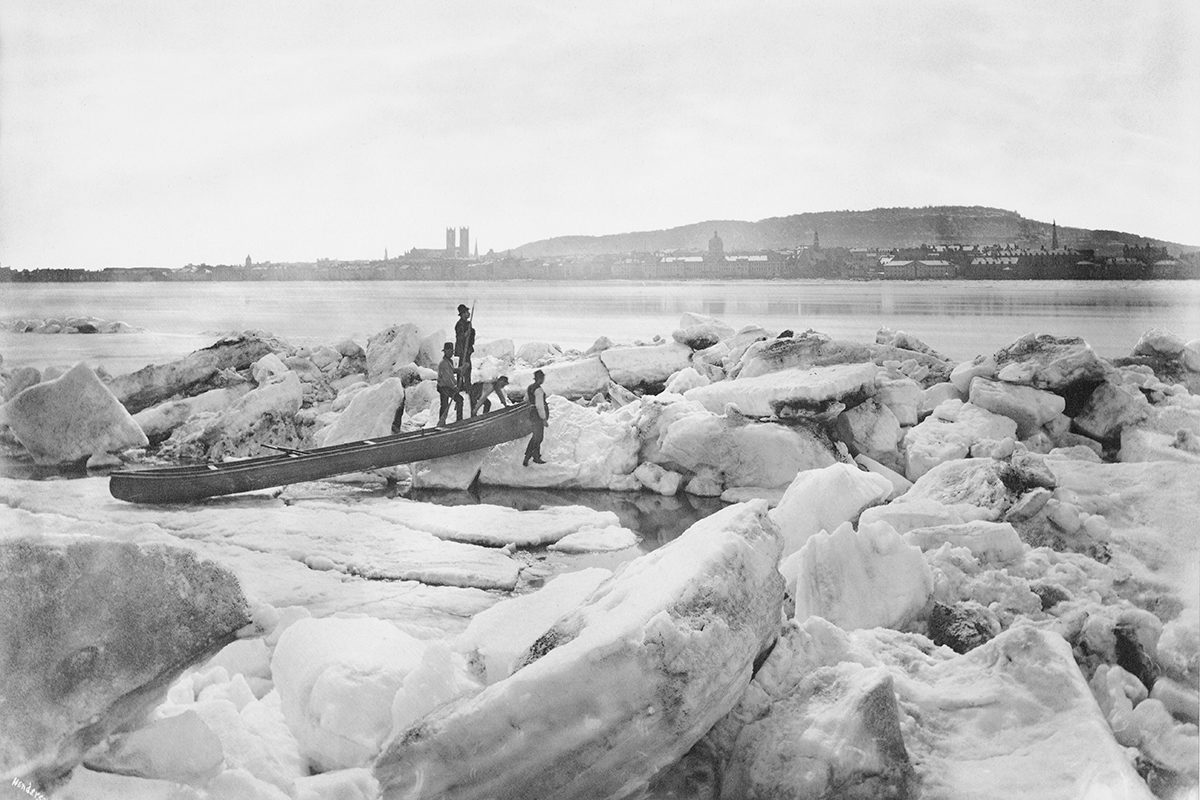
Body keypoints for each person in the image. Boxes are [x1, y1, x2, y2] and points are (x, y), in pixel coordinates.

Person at [523, 369, 548, 466]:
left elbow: (526, 399)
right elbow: (540, 406)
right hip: (537, 416)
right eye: (543, 378)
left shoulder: (530, 388)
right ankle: (528, 457)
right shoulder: (539, 390)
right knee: (539, 437)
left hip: (531, 415)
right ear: (540, 378)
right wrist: (544, 418)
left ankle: (535, 455)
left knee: (535, 436)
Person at [436, 342, 463, 426]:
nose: (451, 353)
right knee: (459, 400)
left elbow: (451, 371)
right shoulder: (444, 363)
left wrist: (458, 370)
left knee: (444, 405)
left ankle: (442, 422)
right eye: (449, 351)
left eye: (452, 351)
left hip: (444, 386)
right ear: (445, 351)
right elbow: (448, 378)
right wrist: (454, 387)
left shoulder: (448, 361)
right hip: (444, 387)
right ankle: (459, 421)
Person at [453, 303, 475, 406]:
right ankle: (461, 385)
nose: (468, 314)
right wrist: (466, 333)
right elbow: (460, 337)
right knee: (462, 367)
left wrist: (471, 332)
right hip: (462, 350)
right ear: (462, 314)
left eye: (468, 312)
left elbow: (471, 337)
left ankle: (467, 385)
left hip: (467, 350)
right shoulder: (459, 324)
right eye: (466, 312)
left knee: (468, 367)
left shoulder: (468, 323)